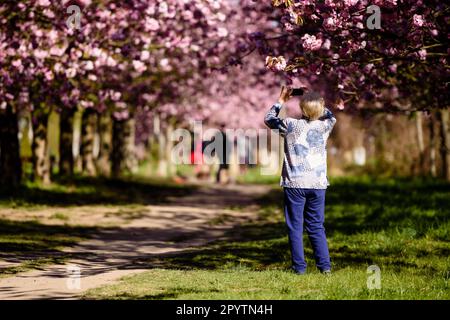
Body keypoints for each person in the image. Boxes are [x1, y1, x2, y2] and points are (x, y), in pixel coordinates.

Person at [264, 87, 337, 275]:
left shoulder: (290, 125)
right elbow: (330, 115)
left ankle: (299, 268)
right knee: (316, 226)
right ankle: (325, 267)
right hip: (317, 184)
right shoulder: (325, 126)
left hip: (294, 183)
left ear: (302, 110)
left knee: (295, 226)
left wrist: (281, 99)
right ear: (319, 109)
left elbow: (269, 119)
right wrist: (316, 98)